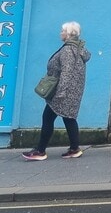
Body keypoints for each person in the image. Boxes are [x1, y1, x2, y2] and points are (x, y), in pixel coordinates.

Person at [23, 21, 91, 161]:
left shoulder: (68, 50)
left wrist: (60, 93)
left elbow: (66, 72)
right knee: (69, 118)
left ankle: (40, 151)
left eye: (62, 31)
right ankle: (74, 149)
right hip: (72, 91)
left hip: (64, 92)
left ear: (69, 34)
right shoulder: (77, 49)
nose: (61, 33)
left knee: (47, 117)